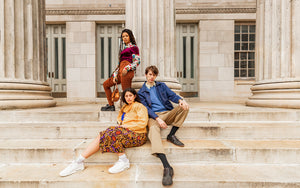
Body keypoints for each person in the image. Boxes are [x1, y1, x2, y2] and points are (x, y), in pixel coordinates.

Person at [60, 88, 148, 176]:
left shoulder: (139, 106)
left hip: (138, 135)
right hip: (126, 132)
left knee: (111, 132)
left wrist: (125, 127)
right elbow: (120, 120)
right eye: (126, 96)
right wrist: (121, 126)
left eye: (130, 96)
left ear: (134, 96)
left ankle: (124, 161)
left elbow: (143, 123)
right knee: (103, 134)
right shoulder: (125, 107)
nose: (128, 98)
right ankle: (78, 161)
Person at [138, 65, 189, 186]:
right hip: (153, 116)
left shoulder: (161, 86)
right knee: (153, 131)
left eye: (154, 75)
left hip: (167, 113)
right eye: (150, 74)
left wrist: (180, 100)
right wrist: (157, 119)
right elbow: (146, 108)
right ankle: (167, 167)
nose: (152, 77)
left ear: (156, 76)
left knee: (185, 107)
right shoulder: (141, 92)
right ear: (146, 75)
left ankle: (171, 135)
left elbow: (172, 95)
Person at [101, 29, 140, 111]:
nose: (124, 38)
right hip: (120, 71)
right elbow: (119, 65)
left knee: (127, 92)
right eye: (123, 36)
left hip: (127, 71)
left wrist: (127, 68)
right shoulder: (122, 49)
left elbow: (137, 62)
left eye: (126, 36)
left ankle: (130, 109)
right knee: (105, 84)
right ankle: (111, 105)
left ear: (130, 37)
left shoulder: (134, 48)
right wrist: (115, 75)